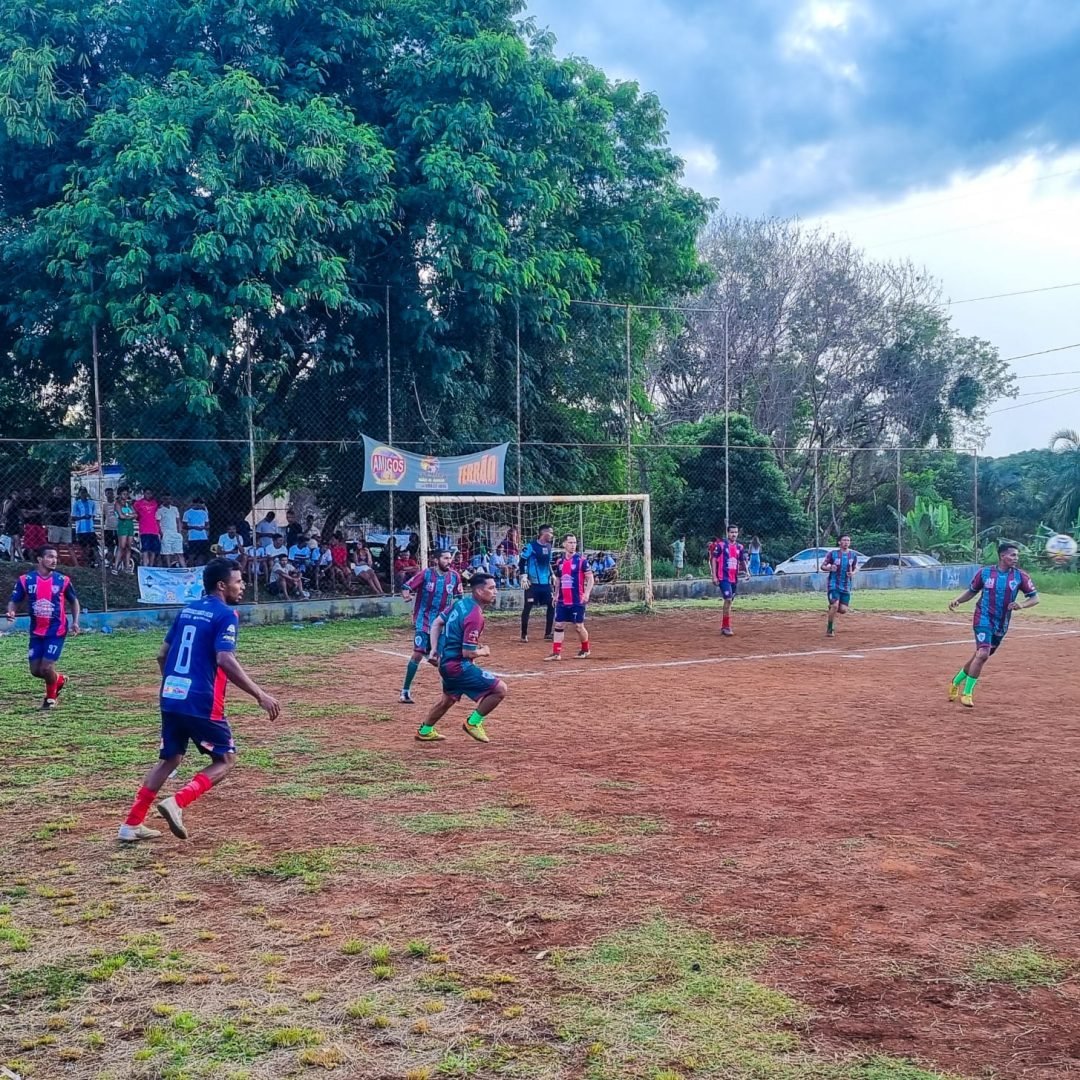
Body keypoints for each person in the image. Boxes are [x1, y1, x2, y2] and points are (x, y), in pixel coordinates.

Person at [117, 558, 281, 842]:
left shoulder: (187, 610)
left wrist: (172, 686)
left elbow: (161, 655)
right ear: (222, 585)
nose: (242, 586)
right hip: (202, 701)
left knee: (170, 758)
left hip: (171, 695)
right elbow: (225, 659)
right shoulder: (226, 615)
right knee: (226, 760)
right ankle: (177, 802)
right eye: (238, 581)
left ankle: (131, 825)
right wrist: (260, 694)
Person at [416, 572, 506, 744]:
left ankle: (425, 730)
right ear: (479, 592)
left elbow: (436, 623)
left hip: (446, 663)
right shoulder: (475, 615)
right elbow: (468, 653)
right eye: (492, 588)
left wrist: (434, 649)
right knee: (500, 689)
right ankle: (473, 723)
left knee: (447, 700)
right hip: (458, 666)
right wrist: (484, 651)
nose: (495, 592)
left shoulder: (460, 603)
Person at [947, 543, 1038, 708]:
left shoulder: (1020, 576)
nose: (1015, 558)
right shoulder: (985, 572)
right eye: (1012, 555)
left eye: (1017, 555)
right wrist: (958, 600)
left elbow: (1034, 598)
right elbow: (972, 591)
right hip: (983, 617)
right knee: (982, 654)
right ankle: (967, 694)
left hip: (1001, 623)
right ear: (1002, 556)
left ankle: (956, 680)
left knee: (980, 656)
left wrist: (1021, 605)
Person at [6, 545, 80, 710]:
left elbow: (74, 601)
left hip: (56, 630)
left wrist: (75, 621)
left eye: (55, 557)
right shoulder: (26, 580)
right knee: (35, 671)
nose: (54, 560)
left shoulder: (62, 580)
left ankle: (50, 698)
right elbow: (15, 600)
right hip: (36, 632)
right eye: (50, 557)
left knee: (46, 667)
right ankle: (59, 680)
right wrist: (11, 611)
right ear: (40, 559)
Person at [399, 549, 464, 704]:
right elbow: (406, 587)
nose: (449, 561)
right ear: (436, 560)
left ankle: (449, 693)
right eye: (445, 558)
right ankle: (405, 692)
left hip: (442, 623)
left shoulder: (455, 576)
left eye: (450, 558)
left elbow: (459, 598)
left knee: (441, 659)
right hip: (424, 620)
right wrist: (406, 595)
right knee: (418, 653)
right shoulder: (426, 574)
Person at [545, 533, 594, 660]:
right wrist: (555, 595)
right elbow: (559, 580)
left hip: (577, 599)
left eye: (574, 543)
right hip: (562, 600)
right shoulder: (560, 562)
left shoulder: (582, 561)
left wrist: (587, 593)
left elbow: (590, 579)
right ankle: (556, 653)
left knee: (578, 626)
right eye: (570, 543)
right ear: (564, 544)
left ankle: (585, 649)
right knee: (559, 625)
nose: (573, 545)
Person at [518, 524, 555, 643]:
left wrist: (552, 574)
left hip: (545, 584)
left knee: (552, 604)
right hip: (532, 583)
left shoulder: (549, 547)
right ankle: (524, 634)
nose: (552, 535)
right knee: (528, 607)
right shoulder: (531, 546)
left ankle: (548, 633)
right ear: (543, 533)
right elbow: (522, 561)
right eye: (551, 533)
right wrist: (523, 576)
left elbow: (548, 563)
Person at [712, 524, 748, 637]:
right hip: (723, 577)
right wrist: (714, 576)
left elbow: (742, 561)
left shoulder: (740, 547)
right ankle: (726, 627)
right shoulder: (721, 545)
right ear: (728, 533)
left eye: (736, 532)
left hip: (734, 578)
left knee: (729, 601)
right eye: (732, 532)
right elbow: (713, 559)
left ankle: (724, 625)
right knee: (728, 599)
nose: (734, 534)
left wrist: (747, 571)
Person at [822, 534, 858, 638]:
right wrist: (829, 568)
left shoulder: (853, 555)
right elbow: (823, 566)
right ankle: (830, 629)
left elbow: (856, 567)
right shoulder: (832, 554)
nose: (846, 542)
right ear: (839, 542)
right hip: (834, 584)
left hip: (846, 585)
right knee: (835, 605)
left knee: (843, 610)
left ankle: (832, 608)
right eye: (844, 540)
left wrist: (853, 573)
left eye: (848, 540)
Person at [71, 486, 99, 566]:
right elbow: (73, 517)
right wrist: (83, 517)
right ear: (79, 494)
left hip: (90, 529)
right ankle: (86, 563)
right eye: (82, 492)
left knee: (94, 547)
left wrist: (91, 517)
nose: (83, 494)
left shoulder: (91, 503)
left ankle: (98, 562)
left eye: (85, 492)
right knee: (83, 548)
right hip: (81, 529)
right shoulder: (76, 504)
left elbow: (94, 514)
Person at [156, 492, 186, 568]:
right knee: (167, 554)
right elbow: (158, 523)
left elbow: (178, 520)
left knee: (179, 553)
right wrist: (161, 534)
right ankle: (168, 569)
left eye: (169, 499)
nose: (168, 500)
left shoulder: (175, 509)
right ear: (163, 500)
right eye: (166, 499)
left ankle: (184, 569)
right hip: (166, 534)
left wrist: (179, 532)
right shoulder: (160, 510)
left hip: (175, 533)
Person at [133, 488, 161, 567]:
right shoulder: (138, 503)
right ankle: (145, 565)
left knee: (153, 550)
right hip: (144, 530)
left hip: (154, 530)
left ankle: (151, 566)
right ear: (144, 493)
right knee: (145, 549)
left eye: (150, 493)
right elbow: (135, 513)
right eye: (147, 493)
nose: (149, 495)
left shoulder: (155, 503)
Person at [112, 486, 137, 574]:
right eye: (124, 494)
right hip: (123, 526)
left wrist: (127, 515)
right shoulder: (117, 504)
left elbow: (135, 515)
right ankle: (115, 566)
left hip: (130, 525)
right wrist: (129, 515)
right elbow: (121, 516)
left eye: (127, 494)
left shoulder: (129, 504)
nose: (125, 496)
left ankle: (127, 567)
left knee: (128, 546)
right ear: (120, 494)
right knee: (121, 546)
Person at [182, 495, 211, 566]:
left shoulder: (204, 513)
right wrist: (194, 527)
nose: (200, 505)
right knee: (192, 555)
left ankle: (199, 569)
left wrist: (203, 527)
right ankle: (191, 569)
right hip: (193, 537)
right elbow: (184, 526)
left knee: (202, 555)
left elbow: (208, 525)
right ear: (194, 503)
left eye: (201, 503)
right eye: (199, 503)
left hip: (203, 537)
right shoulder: (188, 513)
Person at [102, 488, 118, 564]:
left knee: (119, 546)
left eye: (111, 493)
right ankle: (110, 562)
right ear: (105, 494)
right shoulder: (104, 505)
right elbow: (103, 516)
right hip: (108, 528)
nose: (110, 495)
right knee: (110, 547)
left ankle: (118, 562)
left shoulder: (117, 503)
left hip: (118, 528)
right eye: (108, 493)